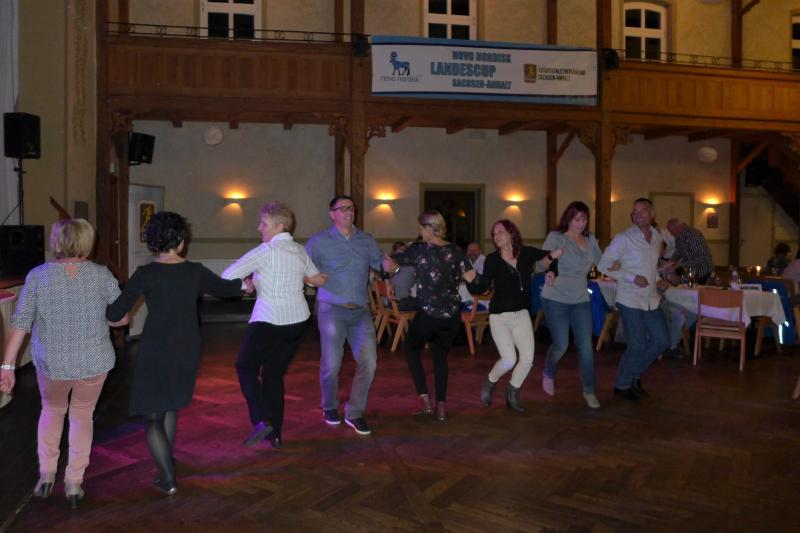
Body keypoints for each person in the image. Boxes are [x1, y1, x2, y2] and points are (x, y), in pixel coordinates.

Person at [107, 212, 246, 495]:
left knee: (153, 416)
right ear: (181, 242)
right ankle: (167, 464)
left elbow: (115, 313)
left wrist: (117, 317)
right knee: (170, 405)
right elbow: (228, 289)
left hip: (156, 348)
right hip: (187, 348)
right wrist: (245, 285)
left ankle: (168, 479)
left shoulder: (146, 274)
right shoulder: (195, 271)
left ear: (152, 243)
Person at [0, 219, 127, 509]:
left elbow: (20, 323)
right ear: (88, 243)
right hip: (94, 361)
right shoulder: (101, 275)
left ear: (56, 242)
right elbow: (120, 318)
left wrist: (6, 367)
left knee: (52, 410)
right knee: (82, 416)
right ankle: (74, 482)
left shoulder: (38, 276)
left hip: (52, 363)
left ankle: (46, 475)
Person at [221, 202, 326, 449]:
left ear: (279, 226)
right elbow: (316, 280)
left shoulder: (265, 251)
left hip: (269, 320)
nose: (259, 228)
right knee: (273, 376)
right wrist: (304, 278)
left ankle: (260, 420)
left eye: (264, 223)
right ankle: (275, 434)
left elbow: (226, 276)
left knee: (245, 366)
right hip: (297, 322)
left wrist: (246, 284)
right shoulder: (299, 250)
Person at [305, 195, 389, 436]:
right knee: (332, 364)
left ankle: (355, 412)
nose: (348, 211)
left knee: (369, 362)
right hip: (331, 309)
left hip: (360, 311)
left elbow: (381, 264)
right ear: (331, 214)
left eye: (351, 208)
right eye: (342, 208)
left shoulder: (366, 240)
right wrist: (310, 279)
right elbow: (301, 269)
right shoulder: (318, 242)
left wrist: (391, 269)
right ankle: (329, 406)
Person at [387, 211, 477, 421]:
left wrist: (392, 272)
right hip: (451, 317)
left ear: (429, 228)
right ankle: (441, 408)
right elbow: (473, 279)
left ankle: (426, 402)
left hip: (428, 315)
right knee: (440, 357)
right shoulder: (456, 250)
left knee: (411, 348)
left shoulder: (419, 250)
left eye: (421, 228)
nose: (419, 232)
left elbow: (391, 264)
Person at [467, 219, 562, 412]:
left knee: (527, 359)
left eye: (500, 232)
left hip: (522, 314)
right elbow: (484, 285)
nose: (496, 236)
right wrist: (473, 282)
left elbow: (550, 258)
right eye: (494, 234)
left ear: (511, 233)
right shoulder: (492, 260)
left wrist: (552, 272)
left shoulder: (525, 253)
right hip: (499, 316)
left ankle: (512, 392)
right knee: (509, 360)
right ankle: (490, 381)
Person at [598, 198, 670, 401]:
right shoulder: (624, 238)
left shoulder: (657, 237)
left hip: (651, 298)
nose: (637, 214)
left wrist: (658, 280)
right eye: (634, 211)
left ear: (652, 214)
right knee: (637, 345)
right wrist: (631, 277)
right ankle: (622, 384)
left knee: (662, 341)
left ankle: (633, 374)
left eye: (643, 210)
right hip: (629, 298)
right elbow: (603, 265)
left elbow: (650, 267)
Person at [540, 202, 603, 409]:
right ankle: (548, 372)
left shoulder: (590, 239)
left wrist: (616, 267)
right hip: (555, 297)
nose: (580, 223)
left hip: (580, 299)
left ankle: (589, 390)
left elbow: (600, 263)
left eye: (584, 219)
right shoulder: (556, 237)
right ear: (568, 219)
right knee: (561, 345)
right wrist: (549, 270)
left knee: (586, 346)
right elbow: (541, 263)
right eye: (577, 219)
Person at [666, 218, 714, 285]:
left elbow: (700, 258)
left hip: (702, 270)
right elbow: (679, 251)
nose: (671, 234)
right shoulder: (678, 235)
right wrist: (671, 260)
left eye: (671, 231)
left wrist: (680, 264)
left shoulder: (693, 235)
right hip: (692, 270)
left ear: (677, 228)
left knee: (699, 290)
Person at [459, 241, 487, 309]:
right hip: (471, 292)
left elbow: (477, 278)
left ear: (480, 251)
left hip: (481, 296)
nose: (472, 252)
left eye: (474, 251)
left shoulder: (484, 261)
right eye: (470, 250)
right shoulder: (466, 260)